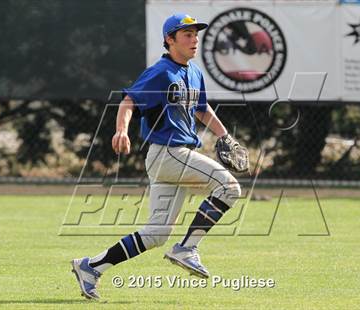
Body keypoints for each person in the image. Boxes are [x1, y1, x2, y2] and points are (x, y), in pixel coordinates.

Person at [71, 13, 241, 300]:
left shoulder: (195, 72)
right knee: (229, 187)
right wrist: (121, 131)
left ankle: (91, 267)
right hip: (168, 154)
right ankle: (186, 248)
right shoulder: (161, 72)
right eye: (186, 34)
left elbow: (201, 108)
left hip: (173, 158)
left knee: (156, 234)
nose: (194, 39)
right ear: (169, 40)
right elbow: (129, 100)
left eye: (195, 34)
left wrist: (225, 136)